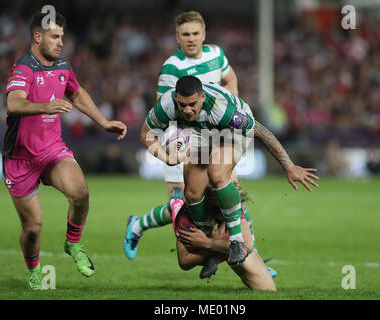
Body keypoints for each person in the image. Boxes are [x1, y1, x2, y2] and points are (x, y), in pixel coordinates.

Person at [124, 11, 273, 274]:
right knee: (181, 208)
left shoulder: (216, 54)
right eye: (185, 34)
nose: (191, 39)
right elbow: (166, 110)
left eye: (195, 33)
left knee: (230, 193)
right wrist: (179, 147)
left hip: (214, 138)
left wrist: (229, 107)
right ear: (177, 37)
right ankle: (138, 225)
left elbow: (230, 79)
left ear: (204, 34)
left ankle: (251, 254)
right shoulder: (172, 67)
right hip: (183, 143)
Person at [3, 11, 127, 290]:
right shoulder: (23, 68)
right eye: (54, 36)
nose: (61, 42)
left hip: (52, 151)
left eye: (62, 36)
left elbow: (77, 92)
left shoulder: (63, 66)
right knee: (33, 228)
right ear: (37, 37)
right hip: (20, 159)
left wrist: (103, 121)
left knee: (80, 194)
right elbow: (14, 103)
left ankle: (72, 244)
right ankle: (34, 270)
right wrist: (45, 106)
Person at [139, 76, 319, 265]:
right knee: (192, 193)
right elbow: (146, 135)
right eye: (182, 105)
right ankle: (212, 247)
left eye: (192, 104)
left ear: (202, 98)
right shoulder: (166, 106)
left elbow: (261, 132)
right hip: (202, 132)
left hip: (231, 132)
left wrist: (288, 166)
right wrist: (168, 158)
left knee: (217, 173)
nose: (186, 109)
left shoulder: (222, 110)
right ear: (176, 97)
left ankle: (237, 241)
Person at [171, 186, 276, 291]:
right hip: (205, 230)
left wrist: (209, 244)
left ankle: (216, 256)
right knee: (233, 246)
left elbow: (248, 245)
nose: (234, 214)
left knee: (267, 289)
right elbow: (184, 262)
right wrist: (217, 246)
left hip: (215, 240)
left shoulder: (231, 206)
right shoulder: (186, 220)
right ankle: (175, 205)